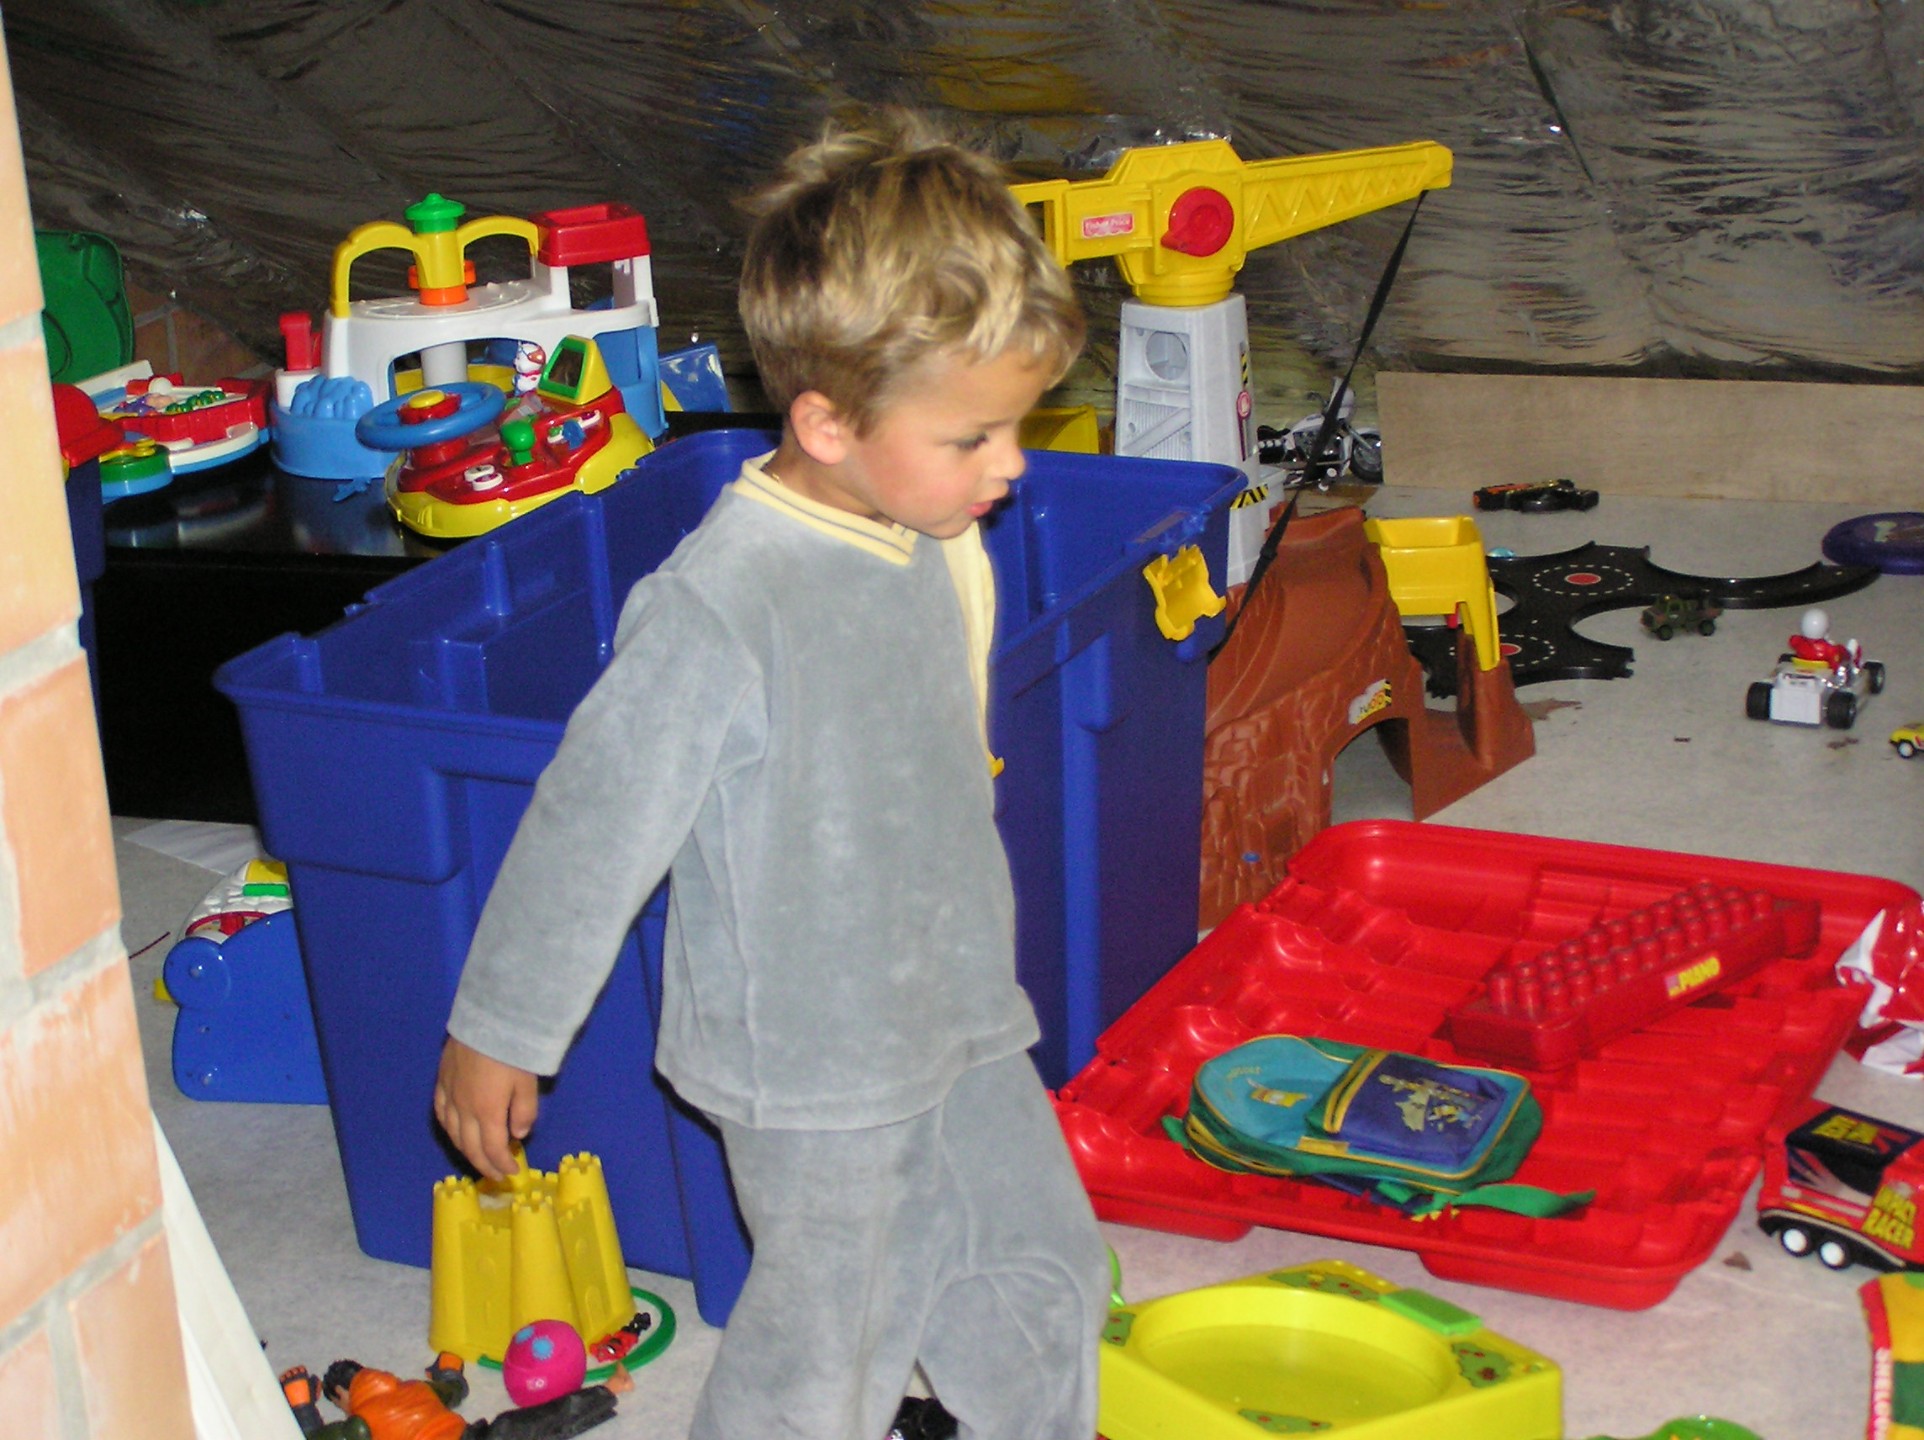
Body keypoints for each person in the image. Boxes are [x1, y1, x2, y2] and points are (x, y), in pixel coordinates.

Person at [432, 110, 1111, 1440]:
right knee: (832, 1344)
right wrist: (501, 1025)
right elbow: (592, 826)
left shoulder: (929, 531)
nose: (1012, 465)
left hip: (956, 1003)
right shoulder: (721, 605)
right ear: (828, 423)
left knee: (1044, 1267)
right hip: (814, 1055)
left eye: (1014, 427)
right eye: (973, 437)